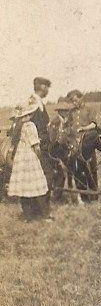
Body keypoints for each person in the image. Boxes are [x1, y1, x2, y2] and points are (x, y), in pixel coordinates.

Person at [7, 101, 51, 221]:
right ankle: (44, 215)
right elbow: (35, 145)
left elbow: (14, 143)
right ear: (29, 115)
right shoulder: (30, 125)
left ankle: (27, 215)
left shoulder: (18, 126)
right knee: (38, 184)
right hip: (29, 156)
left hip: (20, 158)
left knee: (24, 186)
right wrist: (40, 157)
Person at [29, 76, 52, 212]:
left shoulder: (40, 103)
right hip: (36, 147)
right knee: (45, 176)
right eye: (47, 87)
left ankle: (39, 209)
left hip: (43, 145)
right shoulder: (32, 103)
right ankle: (41, 210)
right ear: (42, 87)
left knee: (45, 175)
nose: (48, 90)